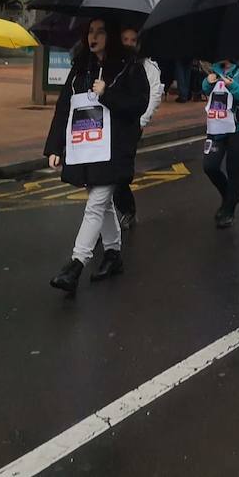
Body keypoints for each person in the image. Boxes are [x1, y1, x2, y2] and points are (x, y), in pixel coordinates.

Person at [45, 18, 150, 293]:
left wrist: (107, 94)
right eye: (90, 31)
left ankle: (76, 264)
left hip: (115, 148)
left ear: (111, 36)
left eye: (100, 31)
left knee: (95, 203)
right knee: (102, 202)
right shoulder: (81, 67)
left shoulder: (130, 66)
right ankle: (113, 254)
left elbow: (138, 105)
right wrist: (55, 146)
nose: (94, 37)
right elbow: (64, 107)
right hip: (86, 146)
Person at [200, 57, 239, 228]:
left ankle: (229, 209)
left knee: (233, 168)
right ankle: (230, 195)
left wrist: (233, 86)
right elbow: (207, 91)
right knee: (210, 166)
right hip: (217, 127)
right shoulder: (215, 69)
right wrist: (207, 82)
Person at [113, 25, 163, 230]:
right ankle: (104, 218)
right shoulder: (113, 63)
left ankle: (127, 208)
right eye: (125, 40)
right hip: (110, 126)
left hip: (132, 126)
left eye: (133, 41)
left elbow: (154, 96)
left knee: (120, 173)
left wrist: (141, 121)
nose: (129, 44)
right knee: (104, 173)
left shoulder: (148, 67)